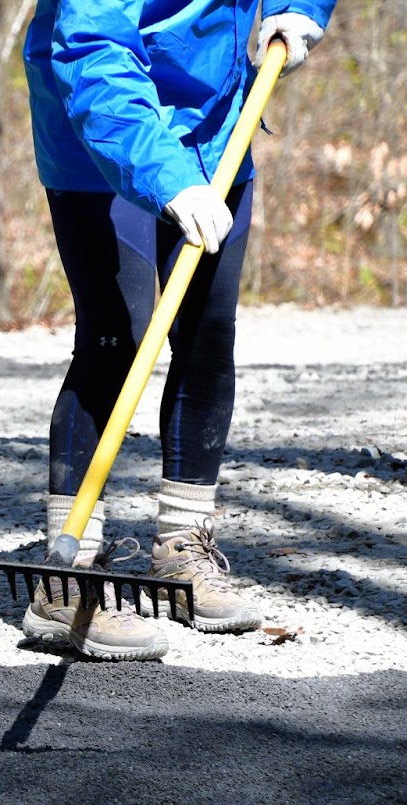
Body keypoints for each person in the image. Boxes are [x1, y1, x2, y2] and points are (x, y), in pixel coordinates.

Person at [20, 0, 332, 661]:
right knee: (118, 335)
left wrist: (298, 8)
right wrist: (167, 179)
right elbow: (92, 49)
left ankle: (182, 552)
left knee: (208, 333)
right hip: (101, 133)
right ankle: (65, 574)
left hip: (218, 120)